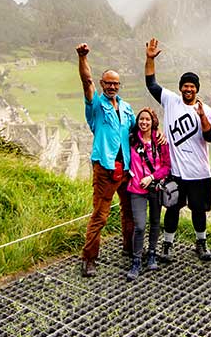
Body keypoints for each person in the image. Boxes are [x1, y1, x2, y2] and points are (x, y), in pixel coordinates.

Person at [145, 37, 211, 262]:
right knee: (172, 209)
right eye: (185, 86)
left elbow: (210, 137)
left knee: (198, 211)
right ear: (180, 88)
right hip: (175, 172)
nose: (188, 89)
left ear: (196, 89)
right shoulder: (171, 101)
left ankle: (201, 243)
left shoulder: (206, 110)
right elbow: (151, 84)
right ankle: (167, 245)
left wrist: (202, 116)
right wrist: (149, 59)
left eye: (192, 86)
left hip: (199, 172)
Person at [76, 42, 135, 278]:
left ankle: (130, 248)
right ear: (102, 84)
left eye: (115, 83)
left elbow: (134, 133)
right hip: (105, 167)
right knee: (100, 214)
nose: (112, 86)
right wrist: (82, 58)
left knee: (129, 211)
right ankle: (89, 258)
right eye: (108, 83)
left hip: (127, 167)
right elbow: (86, 82)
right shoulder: (97, 106)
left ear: (119, 86)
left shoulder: (127, 107)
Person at [126, 107, 171, 281]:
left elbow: (167, 166)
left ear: (153, 123)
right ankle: (136, 259)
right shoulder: (131, 139)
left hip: (155, 187)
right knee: (139, 225)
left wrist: (151, 176)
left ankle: (152, 253)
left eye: (148, 120)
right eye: (141, 119)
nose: (144, 122)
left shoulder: (160, 142)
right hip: (137, 189)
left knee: (154, 222)